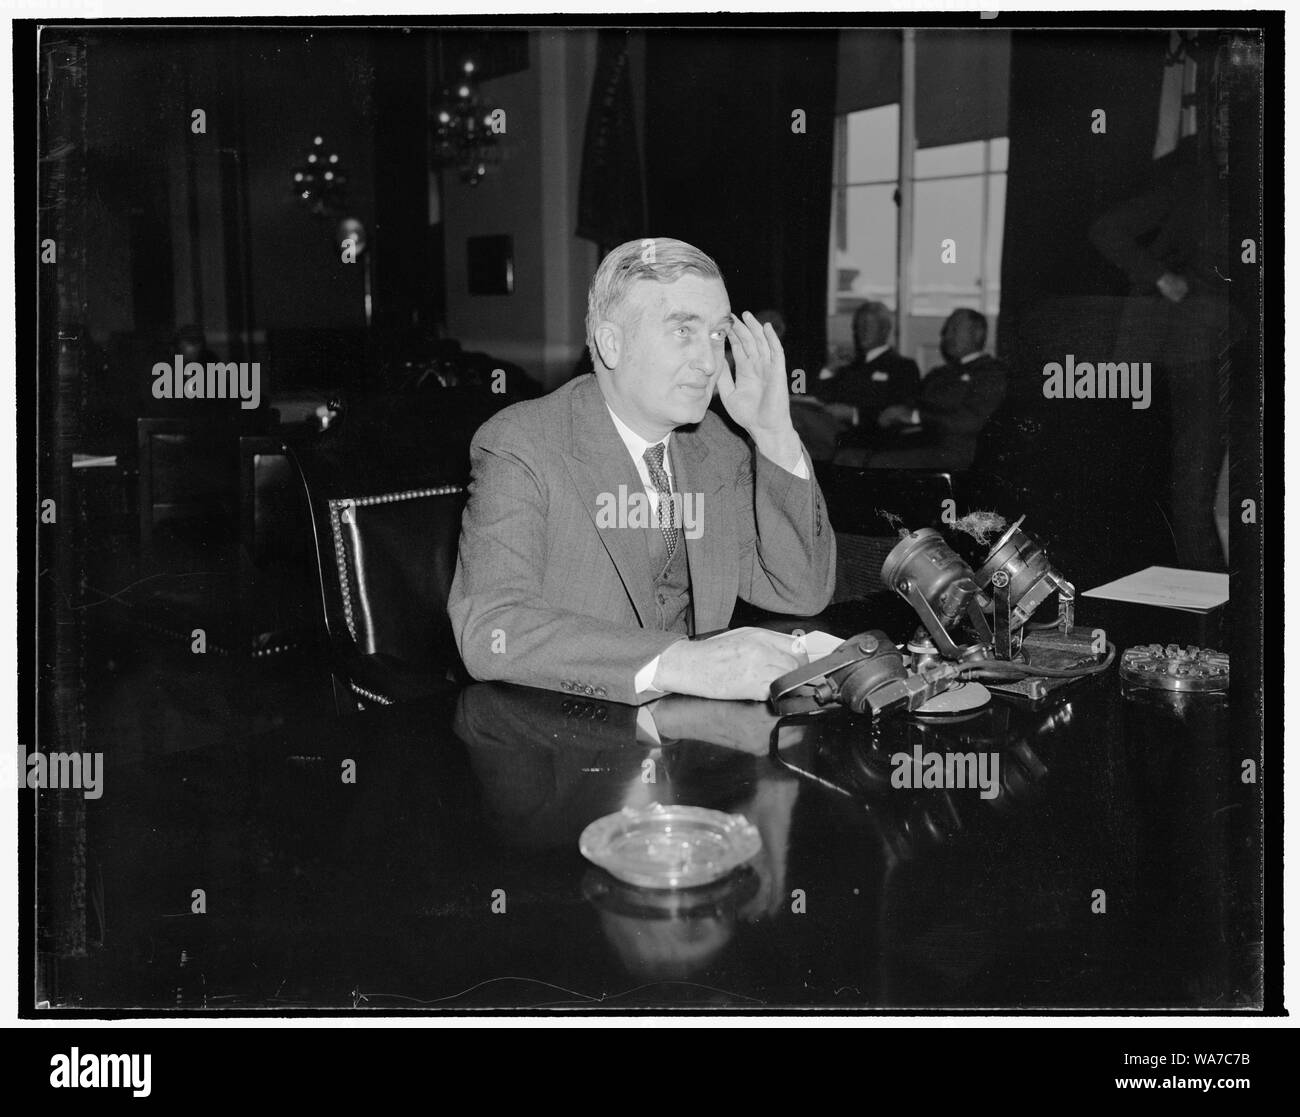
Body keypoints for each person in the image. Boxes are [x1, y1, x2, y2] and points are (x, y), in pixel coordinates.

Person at [449, 237, 836, 705]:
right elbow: (493, 628)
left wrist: (773, 434)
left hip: (691, 738)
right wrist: (683, 663)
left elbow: (801, 592)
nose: (710, 362)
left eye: (717, 334)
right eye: (682, 331)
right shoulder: (523, 443)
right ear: (612, 343)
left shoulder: (717, 444)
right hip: (567, 738)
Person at [868, 308, 1008, 471]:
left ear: (977, 334)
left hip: (959, 452)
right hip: (920, 441)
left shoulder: (990, 373)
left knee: (878, 464)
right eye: (946, 331)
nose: (946, 336)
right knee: (856, 454)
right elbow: (912, 401)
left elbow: (970, 422)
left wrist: (916, 416)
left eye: (954, 329)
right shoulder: (940, 373)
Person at [816, 301, 921, 435]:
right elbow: (820, 400)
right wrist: (829, 370)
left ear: (884, 329)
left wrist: (854, 414)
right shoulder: (848, 365)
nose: (863, 331)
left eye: (869, 326)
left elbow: (897, 412)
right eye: (859, 326)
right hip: (833, 434)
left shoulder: (903, 367)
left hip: (874, 440)